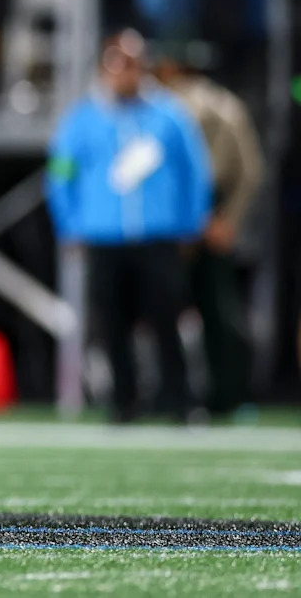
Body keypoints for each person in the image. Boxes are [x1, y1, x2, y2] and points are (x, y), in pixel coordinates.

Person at [46, 30, 212, 422]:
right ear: (105, 69)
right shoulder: (82, 120)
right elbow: (60, 173)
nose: (125, 74)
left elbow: (195, 172)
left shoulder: (169, 114)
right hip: (105, 235)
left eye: (133, 65)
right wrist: (69, 224)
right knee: (113, 322)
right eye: (117, 65)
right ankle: (123, 401)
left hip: (159, 233)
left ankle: (178, 400)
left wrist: (192, 221)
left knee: (167, 318)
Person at [154, 50, 264, 416]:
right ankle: (220, 396)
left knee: (185, 310)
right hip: (197, 213)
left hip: (184, 214)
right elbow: (250, 171)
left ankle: (182, 396)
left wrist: (215, 218)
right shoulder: (226, 104)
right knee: (213, 311)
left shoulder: (164, 107)